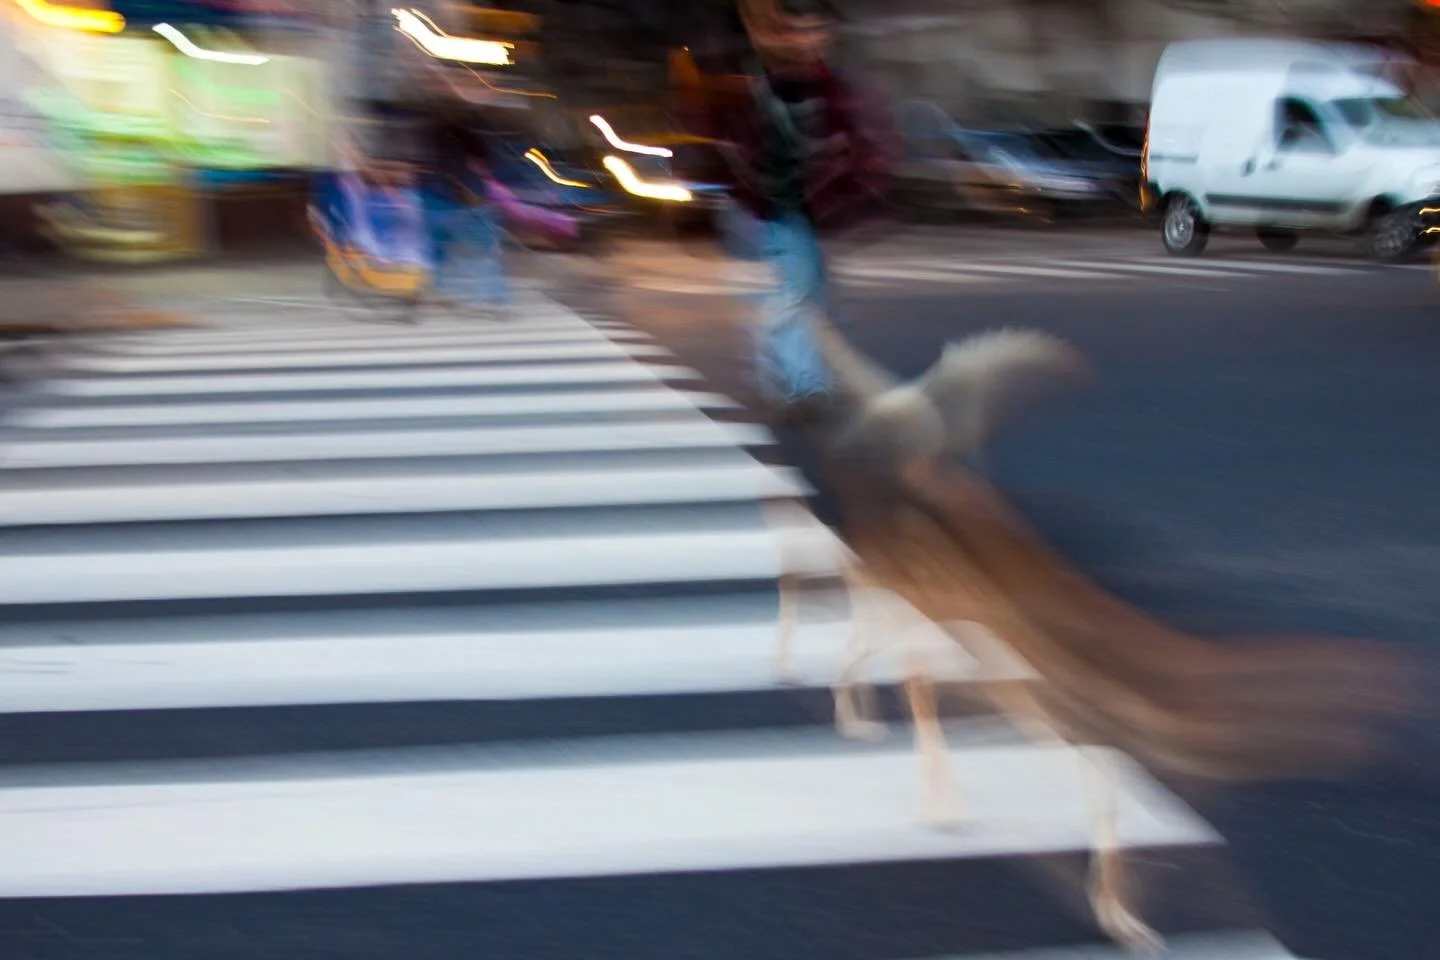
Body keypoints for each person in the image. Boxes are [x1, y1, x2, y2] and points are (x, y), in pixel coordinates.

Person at [691, 0, 893, 422]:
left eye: (816, 31)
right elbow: (723, 139)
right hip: (766, 207)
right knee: (795, 291)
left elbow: (858, 142)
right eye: (798, 31)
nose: (808, 40)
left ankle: (781, 375)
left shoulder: (830, 88)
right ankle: (803, 384)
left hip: (809, 207)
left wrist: (863, 190)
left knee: (812, 293)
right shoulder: (753, 84)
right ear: (780, 34)